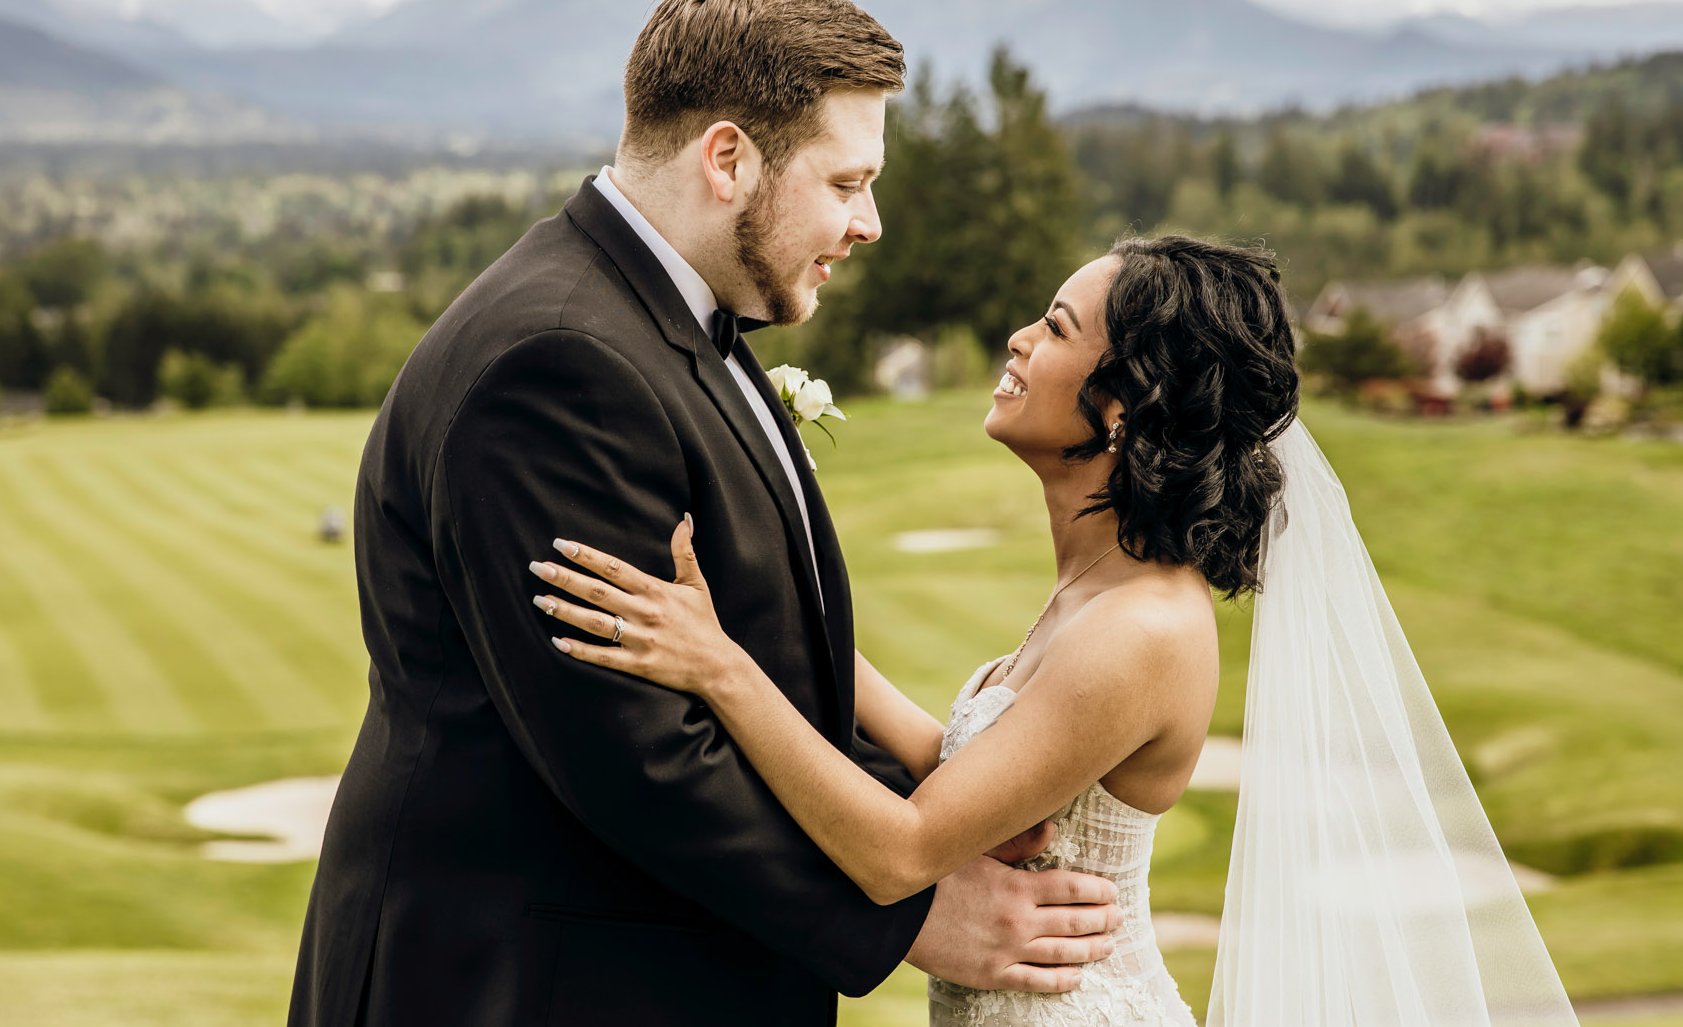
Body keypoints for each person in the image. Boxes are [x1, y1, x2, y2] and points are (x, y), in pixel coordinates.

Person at [287, 0, 1124, 1027]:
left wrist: (932, 804)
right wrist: (909, 914)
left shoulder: (674, 323)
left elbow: (768, 661)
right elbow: (634, 753)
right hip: (523, 987)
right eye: (845, 182)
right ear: (727, 158)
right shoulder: (554, 363)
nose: (868, 224)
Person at [536, 238, 1583, 1026]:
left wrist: (717, 665)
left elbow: (900, 851)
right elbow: (947, 762)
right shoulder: (1097, 590)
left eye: (1053, 327)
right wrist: (756, 592)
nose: (1016, 340)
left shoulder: (1141, 630)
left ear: (1125, 404)